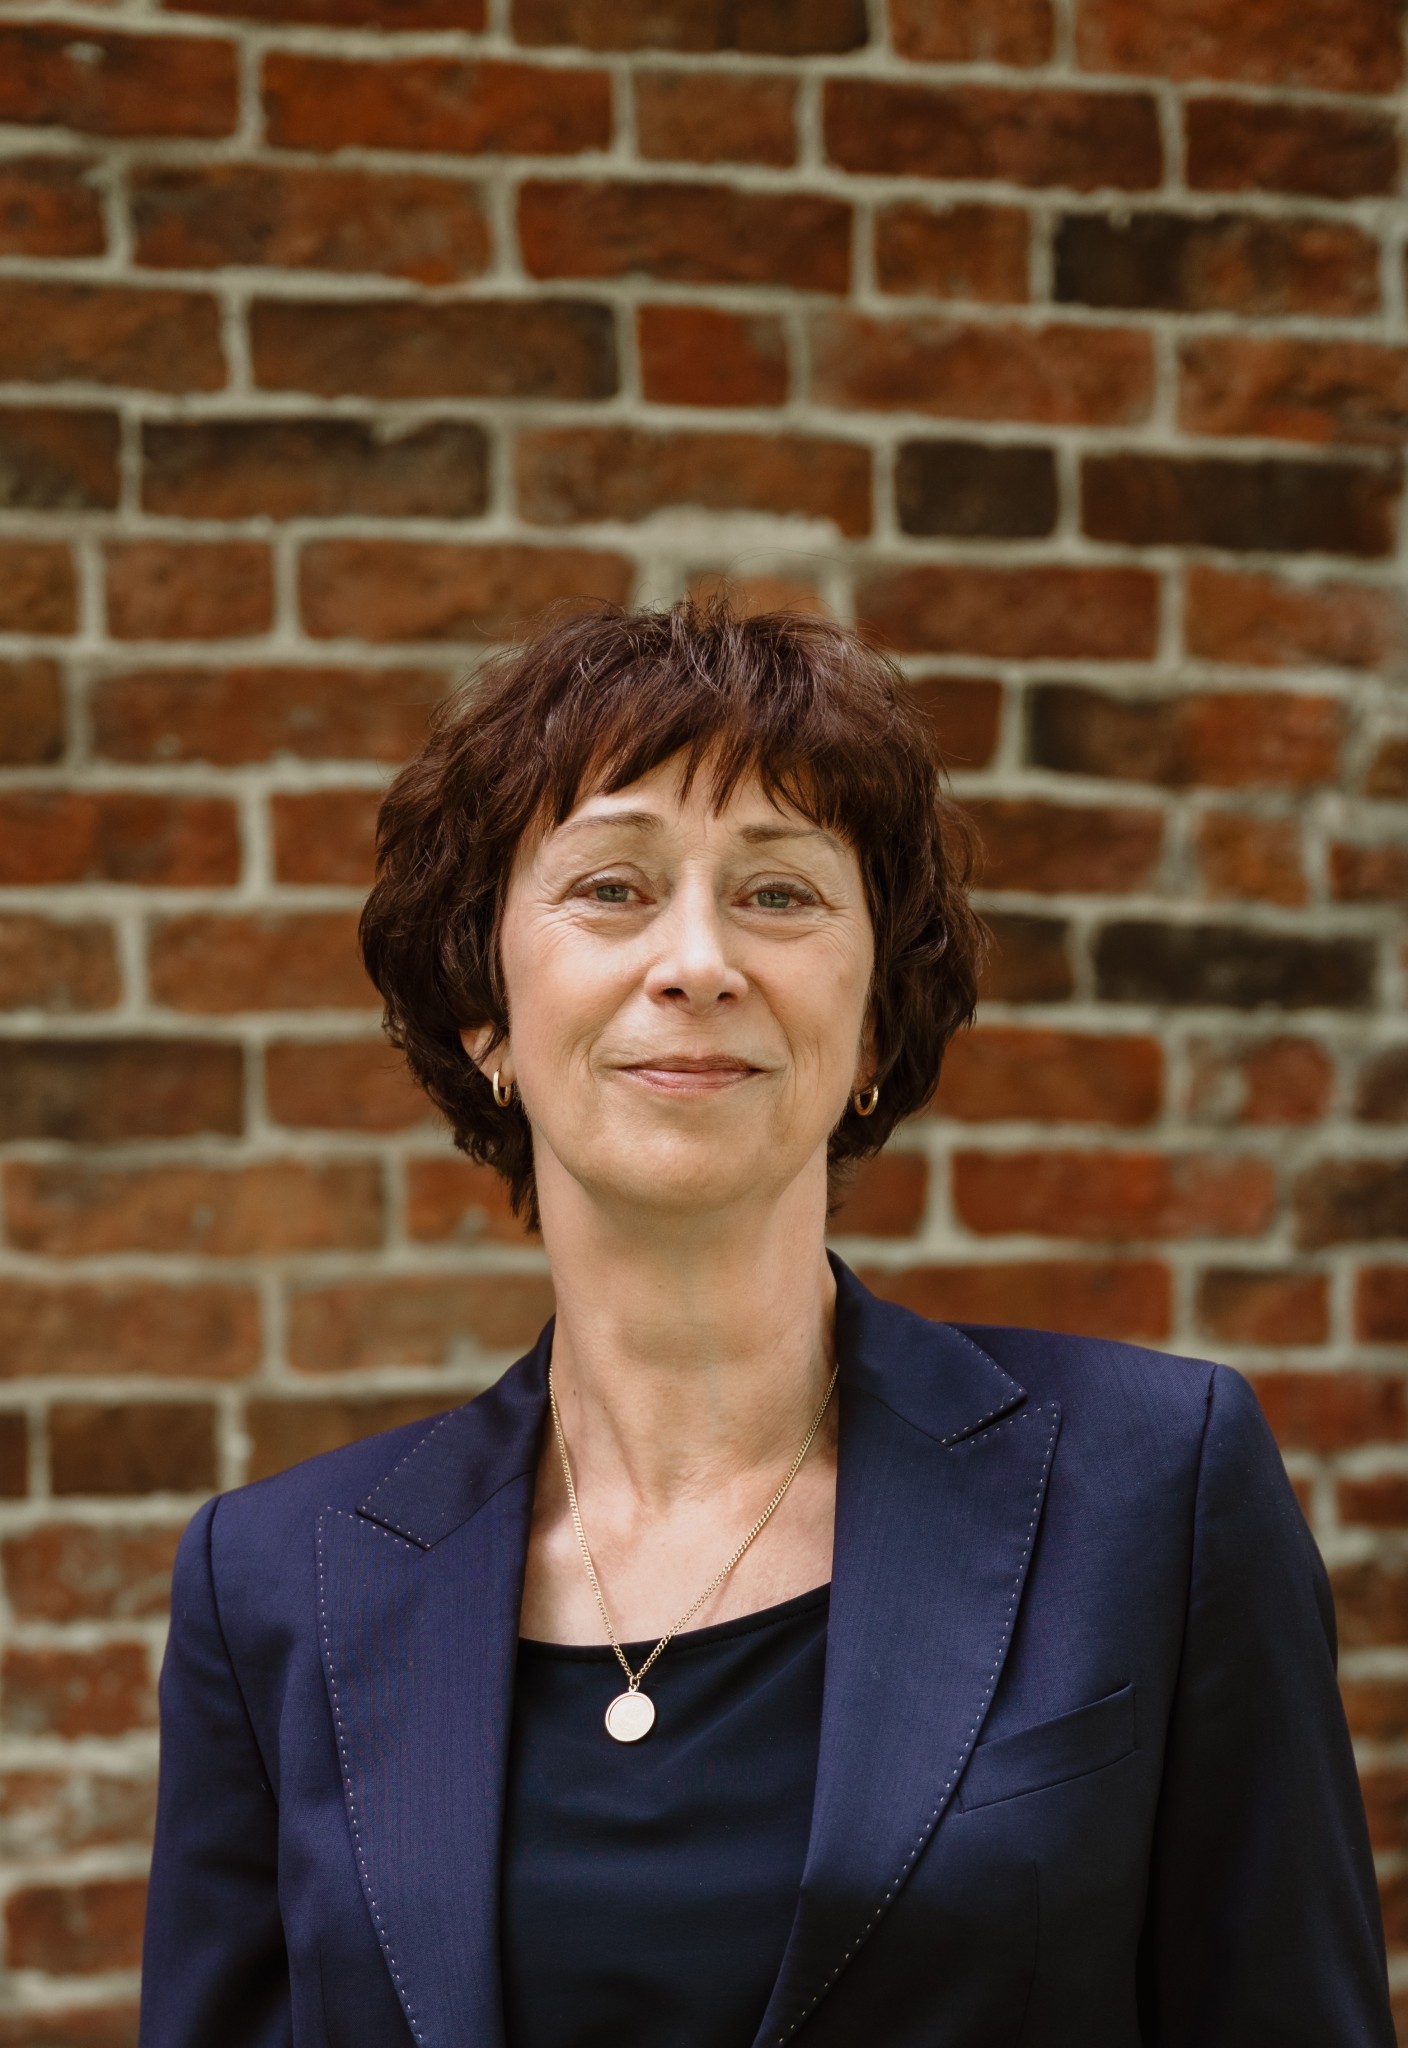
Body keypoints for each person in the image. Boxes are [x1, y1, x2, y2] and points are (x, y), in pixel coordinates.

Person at [139, 599, 1393, 2048]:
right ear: (485, 1011)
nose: (697, 961)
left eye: (780, 894)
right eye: (612, 887)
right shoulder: (275, 1589)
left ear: (872, 1024)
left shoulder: (1157, 1488)